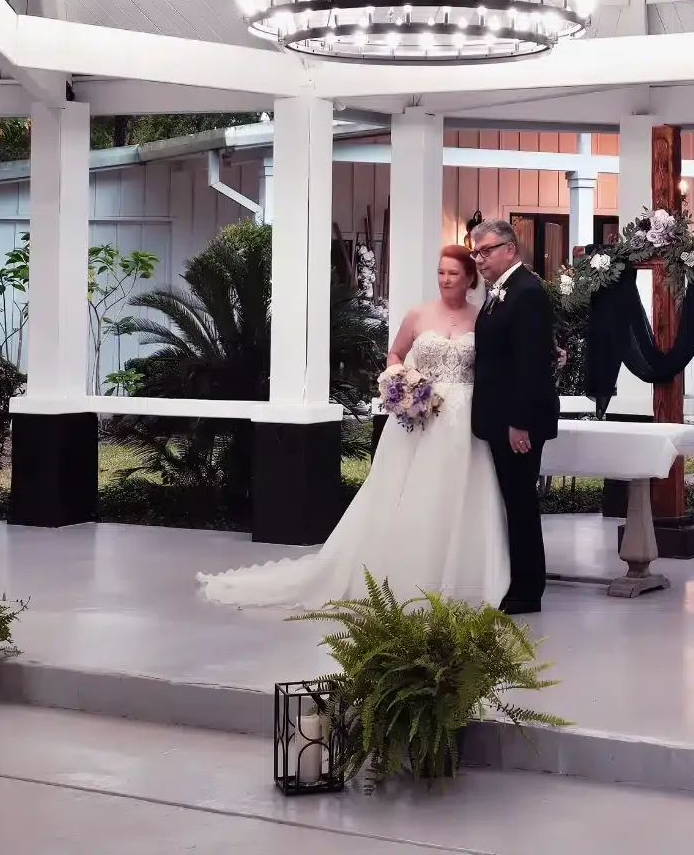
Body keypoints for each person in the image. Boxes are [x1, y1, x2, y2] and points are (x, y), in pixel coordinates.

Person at [196, 244, 510, 610]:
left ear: (470, 278)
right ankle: (404, 575)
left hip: (466, 418)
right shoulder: (419, 314)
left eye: (453, 274)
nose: (445, 280)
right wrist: (402, 382)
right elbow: (395, 354)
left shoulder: (483, 318)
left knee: (463, 492)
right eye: (440, 272)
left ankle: (462, 578)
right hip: (420, 416)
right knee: (406, 493)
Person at [470, 219, 560, 615]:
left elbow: (528, 365)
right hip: (499, 415)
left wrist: (519, 422)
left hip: (517, 421)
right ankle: (513, 580)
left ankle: (527, 590)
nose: (479, 259)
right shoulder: (502, 291)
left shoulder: (527, 292)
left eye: (486, 251)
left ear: (510, 249)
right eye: (476, 252)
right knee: (511, 500)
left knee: (521, 502)